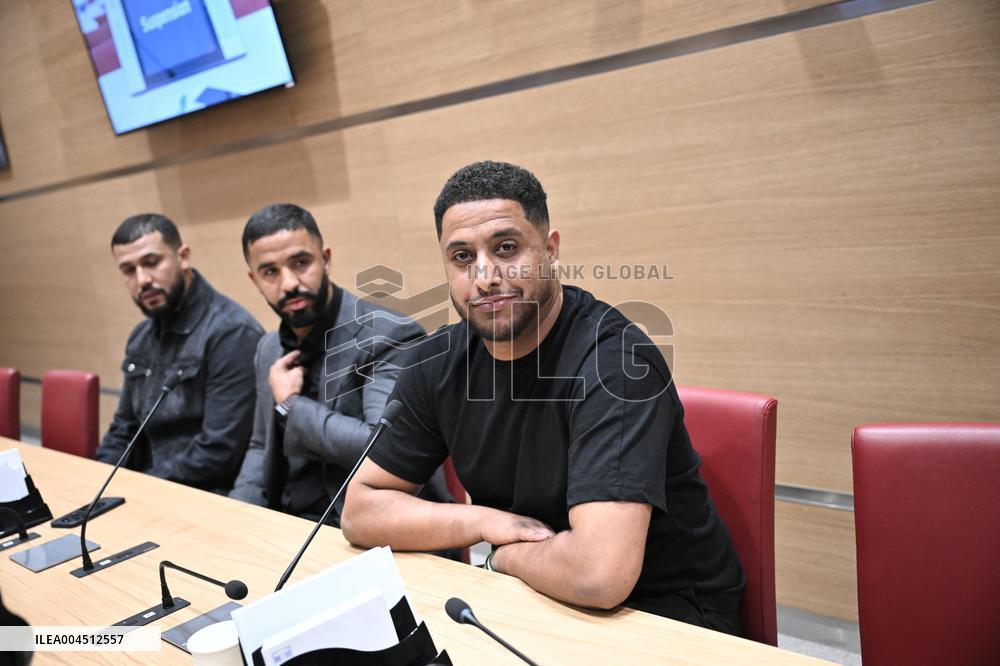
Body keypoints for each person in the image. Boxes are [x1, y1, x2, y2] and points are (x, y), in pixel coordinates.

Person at [341, 161, 745, 633]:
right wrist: (485, 523)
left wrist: (506, 558)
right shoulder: (436, 364)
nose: (485, 276)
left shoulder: (616, 365)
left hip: (663, 613)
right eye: (462, 257)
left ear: (551, 251)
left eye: (506, 248)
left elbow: (599, 575)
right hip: (537, 595)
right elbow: (361, 512)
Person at [229, 203, 443, 522]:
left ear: (326, 260)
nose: (288, 284)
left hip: (368, 529)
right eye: (270, 272)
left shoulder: (389, 335)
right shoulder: (268, 348)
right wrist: (237, 514)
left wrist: (291, 405)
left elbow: (381, 449)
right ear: (254, 279)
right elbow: (260, 446)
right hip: (286, 524)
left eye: (300, 263)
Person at [96, 214, 263, 492]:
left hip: (208, 495)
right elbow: (123, 430)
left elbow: (219, 452)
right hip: (148, 487)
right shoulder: (140, 336)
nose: (142, 280)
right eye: (128, 270)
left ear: (183, 256)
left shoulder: (231, 332)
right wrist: (98, 481)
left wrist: (138, 486)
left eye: (152, 263)